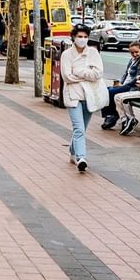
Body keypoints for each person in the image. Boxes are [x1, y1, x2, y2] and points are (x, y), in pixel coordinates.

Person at [60, 24, 106, 171]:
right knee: (78, 128)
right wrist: (87, 75)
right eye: (80, 36)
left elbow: (98, 74)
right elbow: (67, 76)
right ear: (74, 37)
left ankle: (72, 151)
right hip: (73, 96)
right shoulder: (66, 55)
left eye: (85, 37)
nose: (82, 39)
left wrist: (78, 72)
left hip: (90, 96)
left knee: (82, 129)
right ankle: (81, 158)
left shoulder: (93, 52)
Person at [102, 41, 140, 130]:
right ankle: (109, 115)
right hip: (125, 85)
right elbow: (126, 74)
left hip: (132, 87)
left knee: (111, 92)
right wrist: (120, 82)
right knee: (105, 90)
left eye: (136, 52)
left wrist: (123, 86)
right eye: (132, 53)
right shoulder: (132, 60)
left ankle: (112, 116)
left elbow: (138, 77)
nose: (134, 54)